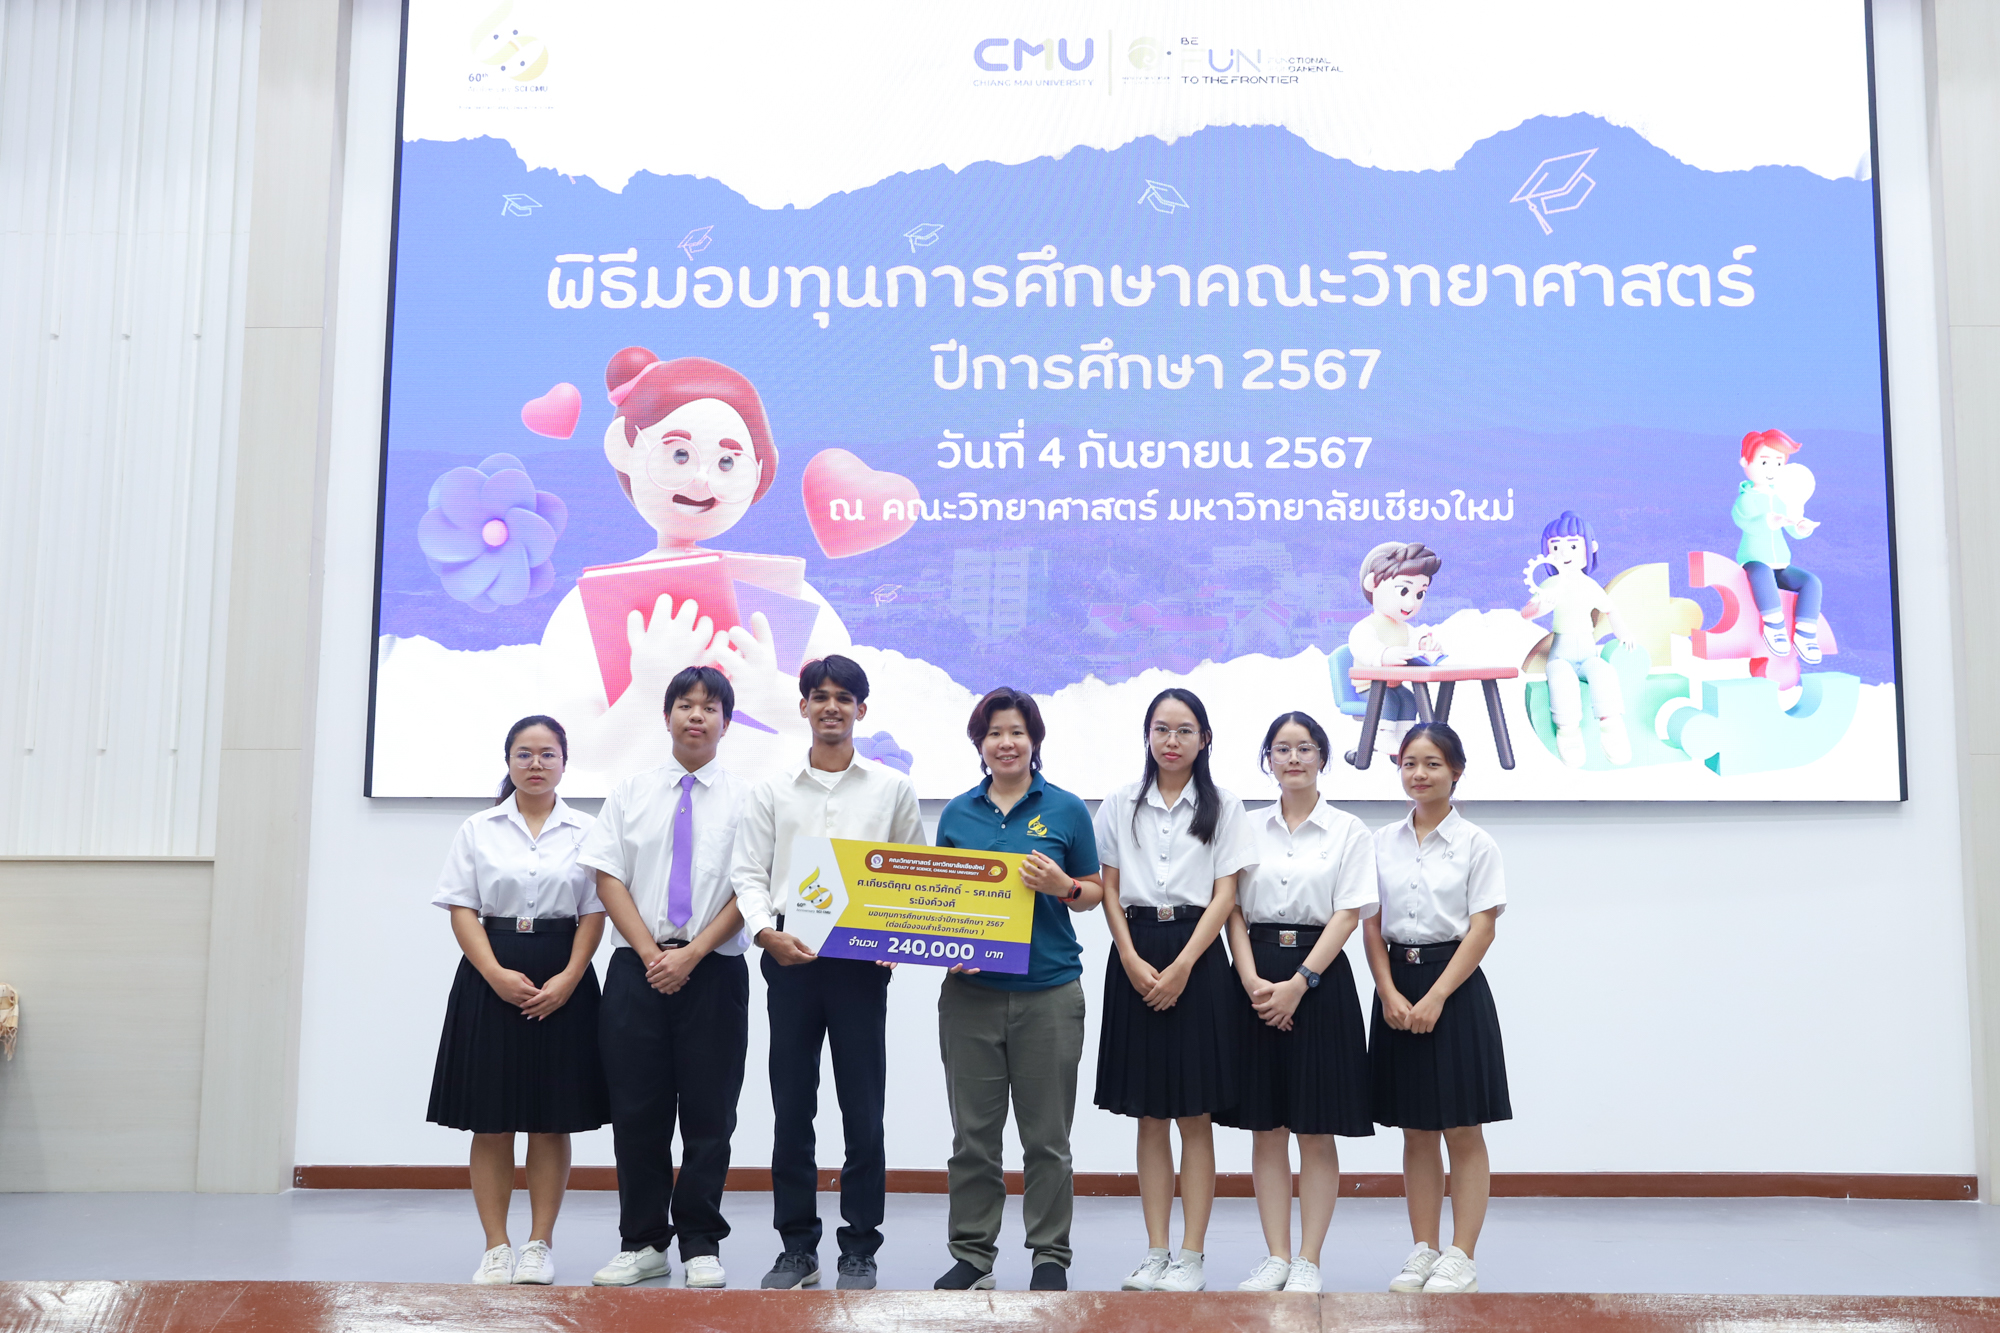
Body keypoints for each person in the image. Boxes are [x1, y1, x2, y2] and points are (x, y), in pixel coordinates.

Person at [540, 349, 853, 779]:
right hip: (642, 813)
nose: (702, 479)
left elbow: (849, 721)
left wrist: (772, 696)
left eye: (727, 462)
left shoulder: (794, 598)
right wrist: (646, 689)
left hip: (763, 811)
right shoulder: (588, 608)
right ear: (624, 447)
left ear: (760, 470)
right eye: (679, 455)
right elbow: (575, 750)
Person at [731, 654, 923, 1291]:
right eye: (820, 696)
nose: (831, 706)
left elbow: (912, 871)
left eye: (844, 697)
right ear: (804, 706)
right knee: (792, 1107)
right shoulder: (771, 790)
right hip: (790, 953)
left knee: (863, 1108)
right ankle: (797, 1247)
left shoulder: (891, 789)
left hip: (861, 961)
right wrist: (766, 933)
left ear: (861, 710)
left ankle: (860, 1248)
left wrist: (897, 938)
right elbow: (749, 873)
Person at [581, 667, 754, 1289]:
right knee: (638, 1113)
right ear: (666, 716)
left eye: (710, 708)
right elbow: (607, 877)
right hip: (639, 969)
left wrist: (693, 954)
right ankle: (643, 1242)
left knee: (711, 1115)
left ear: (726, 724)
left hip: (714, 970)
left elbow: (752, 886)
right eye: (685, 705)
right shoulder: (630, 791)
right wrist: (654, 953)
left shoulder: (748, 799)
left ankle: (701, 1243)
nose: (696, 716)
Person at [930, 688, 1104, 1294]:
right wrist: (949, 950)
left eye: (1017, 733)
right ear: (979, 744)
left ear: (1034, 741)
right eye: (994, 733)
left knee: (1047, 1139)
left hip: (1048, 993)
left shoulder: (1066, 809)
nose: (1006, 743)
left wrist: (1063, 885)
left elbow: (1093, 892)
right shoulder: (957, 813)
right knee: (972, 1139)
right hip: (970, 1000)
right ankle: (972, 1255)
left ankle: (1049, 1256)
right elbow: (938, 906)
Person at [426, 715, 608, 1286]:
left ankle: (539, 1245)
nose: (536, 764)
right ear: (508, 761)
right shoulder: (479, 829)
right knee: (491, 1120)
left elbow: (594, 911)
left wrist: (571, 977)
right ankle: (496, 1247)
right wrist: (494, 973)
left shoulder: (587, 831)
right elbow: (461, 907)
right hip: (492, 971)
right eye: (524, 754)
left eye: (547, 754)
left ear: (564, 763)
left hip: (563, 972)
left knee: (551, 1121)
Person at [1092, 687, 1254, 1294]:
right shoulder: (1119, 803)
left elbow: (1226, 895)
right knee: (1148, 1114)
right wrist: (1130, 958)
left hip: (1197, 956)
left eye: (1185, 730)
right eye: (1161, 729)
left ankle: (1191, 1255)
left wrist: (1186, 964)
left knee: (1194, 1113)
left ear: (1204, 739)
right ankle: (1156, 1250)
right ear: (1147, 735)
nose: (1172, 740)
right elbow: (1109, 889)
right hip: (1135, 952)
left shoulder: (1224, 806)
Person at [1220, 711, 1377, 1294]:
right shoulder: (1245, 828)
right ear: (1268, 759)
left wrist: (1299, 983)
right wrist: (1250, 978)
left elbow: (1348, 913)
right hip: (1256, 977)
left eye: (1305, 748)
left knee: (1315, 1128)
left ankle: (1309, 1259)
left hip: (1320, 980)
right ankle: (1276, 1257)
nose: (1293, 758)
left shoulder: (1349, 831)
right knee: (1267, 1127)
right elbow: (1232, 907)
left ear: (1322, 758)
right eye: (1282, 749)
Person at [1364, 723, 1511, 1296]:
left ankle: (1461, 1256)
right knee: (1416, 1128)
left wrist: (1436, 996)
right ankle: (1423, 1250)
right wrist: (1387, 990)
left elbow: (1482, 929)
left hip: (1454, 986)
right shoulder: (1381, 842)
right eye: (1409, 763)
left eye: (1432, 763)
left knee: (1462, 1127)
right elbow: (1370, 924)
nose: (1419, 774)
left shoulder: (1476, 844)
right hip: (1396, 984)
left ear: (1456, 771)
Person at [1519, 511, 1637, 767]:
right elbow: (1526, 613)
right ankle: (1568, 731)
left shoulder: (1589, 585)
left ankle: (1612, 728)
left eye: (1572, 546)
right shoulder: (1550, 585)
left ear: (1590, 548)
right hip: (1560, 654)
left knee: (1603, 672)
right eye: (1555, 547)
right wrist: (1541, 606)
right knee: (1560, 677)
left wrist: (1623, 633)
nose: (1564, 553)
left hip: (1587, 653)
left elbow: (1610, 610)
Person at [1731, 428, 1824, 663]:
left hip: (1781, 564)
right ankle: (1774, 625)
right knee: (1761, 572)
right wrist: (1769, 521)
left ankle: (1805, 633)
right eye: (1764, 462)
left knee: (1811, 582)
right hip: (1753, 560)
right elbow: (1746, 521)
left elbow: (1792, 527)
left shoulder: (1782, 497)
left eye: (1779, 463)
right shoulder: (1746, 498)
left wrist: (1801, 527)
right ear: (1745, 462)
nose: (1772, 470)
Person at [1346, 541, 1443, 757]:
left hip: (1394, 684)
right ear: (1373, 583)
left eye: (1419, 594)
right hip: (1370, 687)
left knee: (1408, 699)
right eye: (1404, 590)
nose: (1411, 603)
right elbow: (1364, 647)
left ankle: (1403, 738)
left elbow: (1414, 641)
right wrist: (1384, 655)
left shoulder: (1404, 628)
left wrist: (1425, 646)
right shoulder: (1365, 627)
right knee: (1387, 701)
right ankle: (1381, 737)